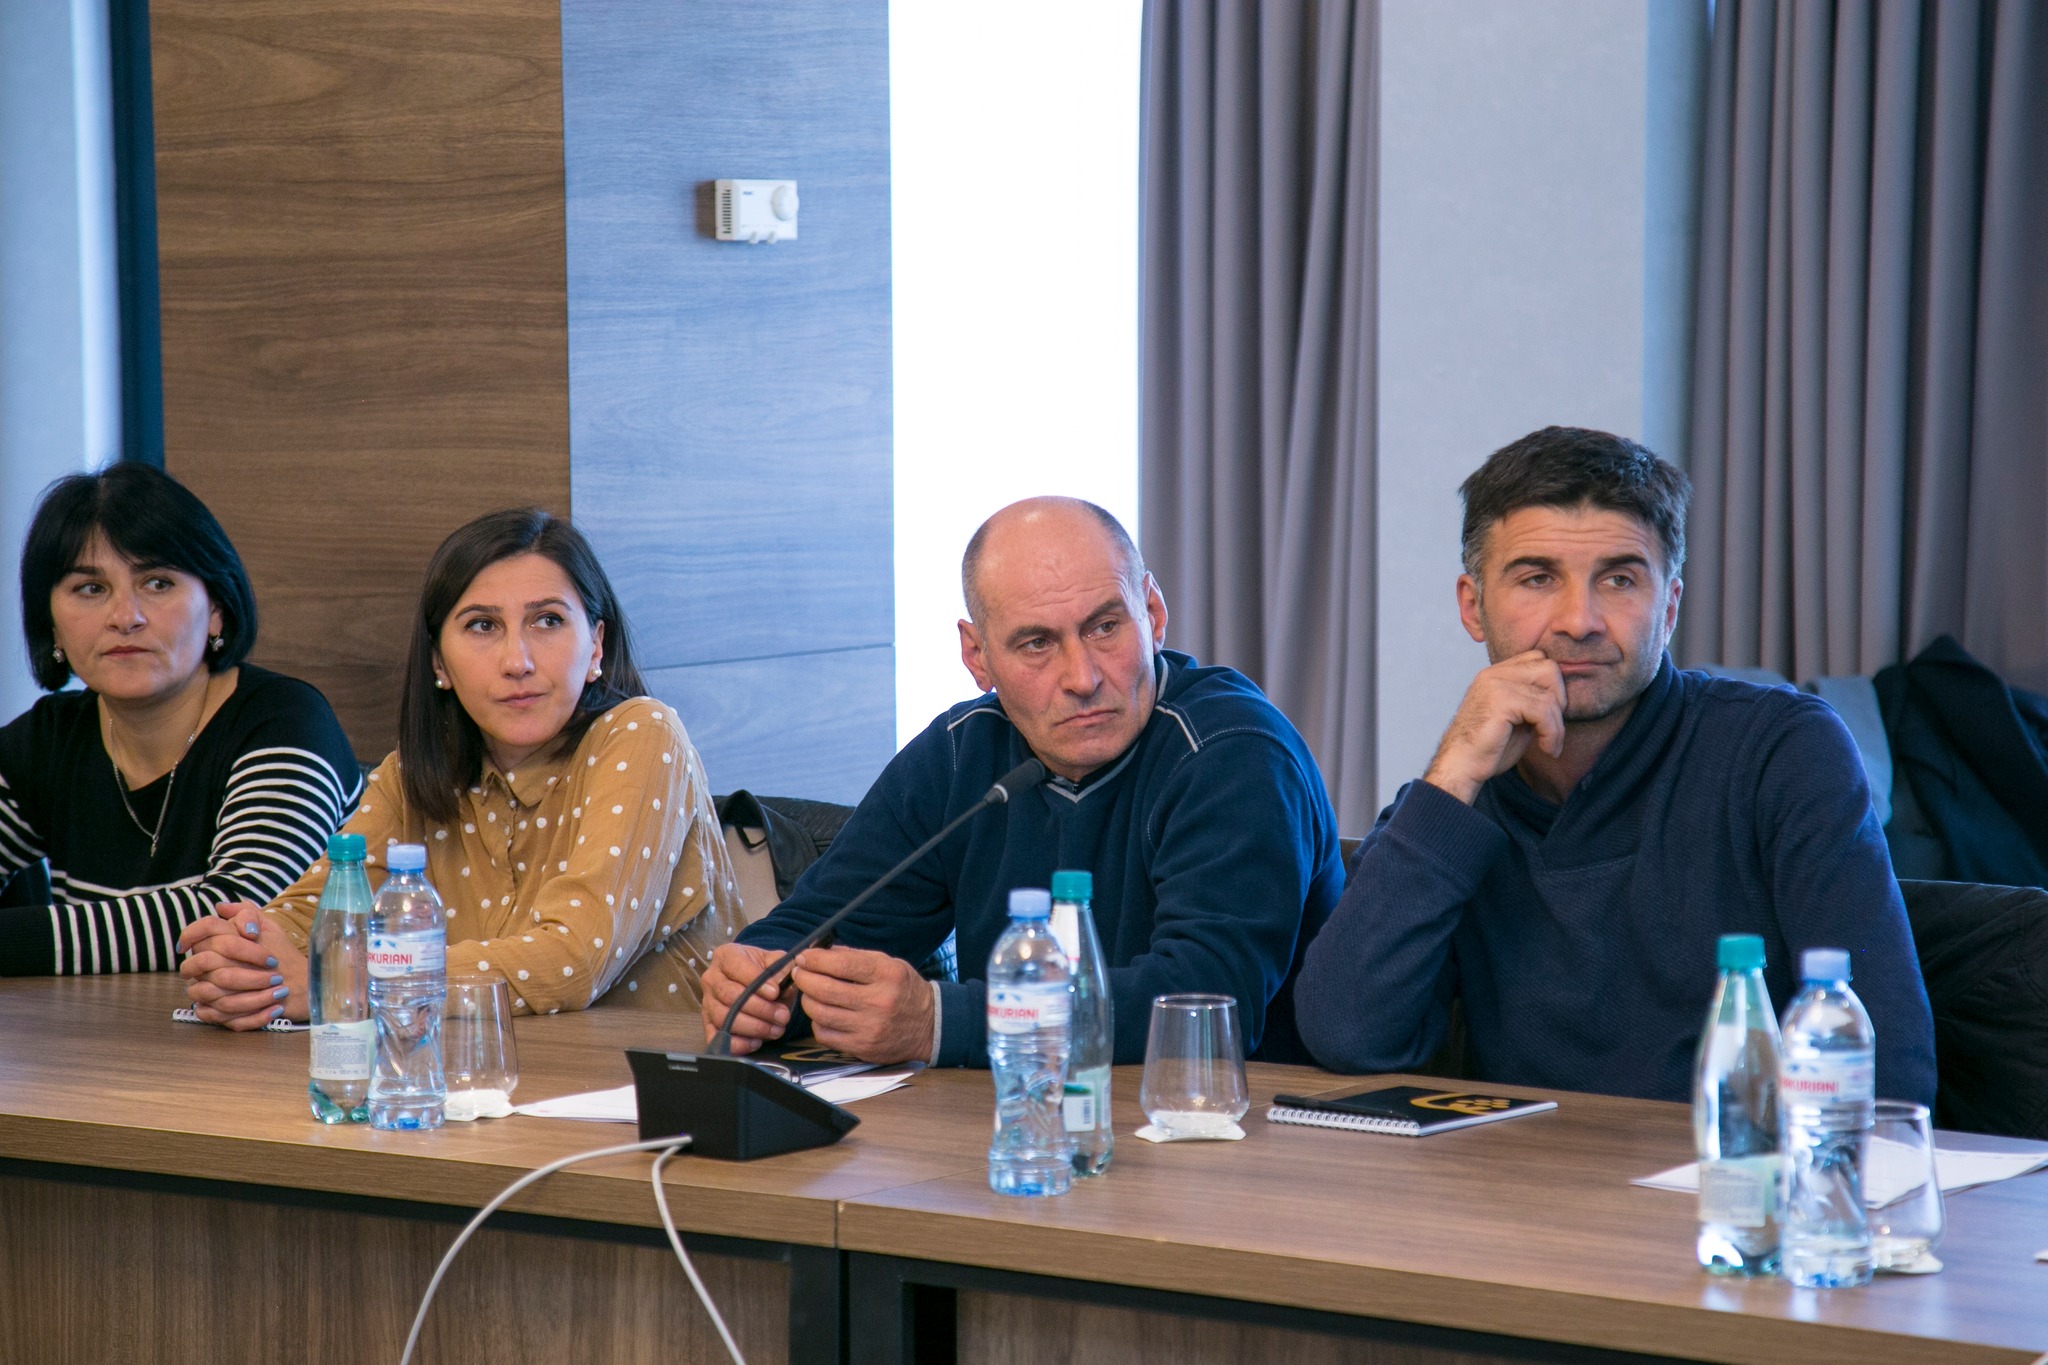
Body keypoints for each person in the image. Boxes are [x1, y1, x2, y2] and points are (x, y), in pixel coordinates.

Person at [1295, 426, 1937, 1104]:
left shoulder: (1784, 751)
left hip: (1730, 1166)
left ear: (1670, 606)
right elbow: (1345, 1035)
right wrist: (1452, 775)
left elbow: (1885, 1069)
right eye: (1538, 578)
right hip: (1515, 1169)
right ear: (1472, 607)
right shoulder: (1456, 795)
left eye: (1620, 579)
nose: (1581, 620)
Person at [701, 496, 1344, 1067]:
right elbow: (822, 929)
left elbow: (1205, 1001)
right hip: (1024, 1125)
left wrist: (942, 1023)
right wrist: (761, 983)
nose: (1083, 677)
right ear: (977, 656)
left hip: (1230, 1131)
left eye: (1105, 627)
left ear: (1152, 613)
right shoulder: (962, 754)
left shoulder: (1234, 753)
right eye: (1037, 644)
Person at [178, 508, 740, 1027]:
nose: (517, 661)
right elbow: (318, 916)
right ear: (438, 662)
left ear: (595, 646)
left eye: (547, 621)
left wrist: (344, 985)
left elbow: (574, 958)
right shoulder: (411, 776)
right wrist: (244, 953)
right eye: (482, 626)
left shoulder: (642, 733)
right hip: (473, 1080)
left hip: (638, 1089)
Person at [0, 465, 360, 977]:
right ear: (51, 623)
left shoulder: (286, 722)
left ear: (215, 609)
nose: (126, 617)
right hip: (99, 1027)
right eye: (90, 589)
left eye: (157, 583)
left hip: (274, 1028)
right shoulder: (49, 739)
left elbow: (236, 914)